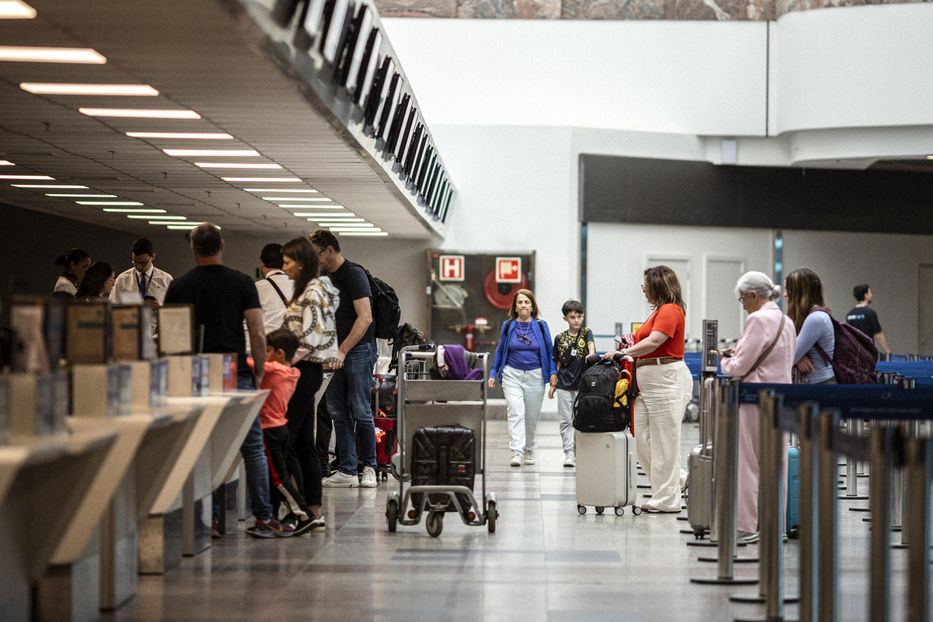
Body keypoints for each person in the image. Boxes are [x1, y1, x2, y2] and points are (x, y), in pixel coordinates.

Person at [164, 223, 291, 538]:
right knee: (252, 446)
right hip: (235, 371)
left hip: (194, 374)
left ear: (193, 248)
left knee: (200, 444)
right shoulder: (242, 282)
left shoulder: (178, 286)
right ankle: (262, 517)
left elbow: (170, 336)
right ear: (222, 245)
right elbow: (258, 332)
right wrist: (259, 369)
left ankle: (210, 519)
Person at [603, 265, 692, 513]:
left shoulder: (670, 310)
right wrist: (630, 345)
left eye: (646, 286)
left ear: (658, 286)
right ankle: (679, 480)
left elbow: (655, 341)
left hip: (666, 379)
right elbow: (647, 340)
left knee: (665, 441)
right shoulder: (656, 312)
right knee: (640, 437)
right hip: (647, 381)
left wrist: (624, 352)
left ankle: (666, 500)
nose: (643, 291)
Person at [719, 271, 796, 543]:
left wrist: (725, 363)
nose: (744, 306)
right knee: (778, 462)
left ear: (754, 295)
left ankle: (748, 526)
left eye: (743, 300)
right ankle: (778, 527)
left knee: (749, 461)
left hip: (754, 399)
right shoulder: (787, 322)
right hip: (782, 399)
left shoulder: (757, 319)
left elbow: (740, 366)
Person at [309, 229, 378, 488]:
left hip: (358, 350)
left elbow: (366, 317)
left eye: (316, 254)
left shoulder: (353, 274)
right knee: (338, 410)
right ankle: (347, 468)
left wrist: (343, 350)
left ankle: (368, 466)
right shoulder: (325, 277)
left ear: (328, 250)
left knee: (361, 409)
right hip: (334, 352)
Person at [280, 237, 339, 522]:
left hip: (304, 369)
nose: (284, 267)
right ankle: (312, 509)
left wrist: (282, 360)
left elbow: (311, 337)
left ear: (301, 263)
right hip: (304, 369)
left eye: (288, 262)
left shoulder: (313, 291)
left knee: (287, 441)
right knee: (304, 443)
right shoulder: (308, 289)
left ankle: (298, 508)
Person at [250, 328, 323, 535]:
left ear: (279, 353)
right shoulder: (293, 372)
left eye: (268, 350)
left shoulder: (274, 370)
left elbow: (251, 363)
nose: (265, 354)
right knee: (279, 475)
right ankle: (294, 514)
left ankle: (304, 515)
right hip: (280, 428)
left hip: (269, 430)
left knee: (278, 478)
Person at [488, 289, 558, 467]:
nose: (523, 305)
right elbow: (500, 350)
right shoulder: (508, 325)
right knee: (516, 412)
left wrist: (552, 373)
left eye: (527, 302)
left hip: (535, 376)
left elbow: (550, 352)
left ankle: (529, 448)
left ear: (532, 306)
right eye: (520, 302)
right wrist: (493, 373)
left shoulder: (541, 326)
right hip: (512, 375)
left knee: (531, 418)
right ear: (515, 307)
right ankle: (516, 452)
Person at [548, 299, 595, 468]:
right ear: (565, 319)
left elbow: (591, 349)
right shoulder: (559, 338)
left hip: (582, 384)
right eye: (572, 317)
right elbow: (554, 360)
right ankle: (568, 453)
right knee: (565, 420)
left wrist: (591, 356)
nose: (576, 320)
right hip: (563, 385)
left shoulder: (586, 333)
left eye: (579, 316)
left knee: (581, 419)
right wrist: (553, 383)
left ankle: (579, 451)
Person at [785, 267, 835, 384]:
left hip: (821, 383)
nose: (785, 294)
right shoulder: (810, 316)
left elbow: (789, 357)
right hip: (816, 382)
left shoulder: (816, 318)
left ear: (800, 291)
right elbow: (794, 352)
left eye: (788, 289)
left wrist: (797, 356)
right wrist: (799, 357)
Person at [110, 238, 173, 310]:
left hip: (155, 320)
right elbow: (113, 306)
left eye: (143, 263)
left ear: (153, 257)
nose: (138, 266)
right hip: (130, 320)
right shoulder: (122, 279)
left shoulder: (166, 279)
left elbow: (175, 310)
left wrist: (160, 307)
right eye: (135, 262)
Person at [255, 243, 294, 334]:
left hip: (268, 342)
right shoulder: (298, 285)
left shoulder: (255, 288)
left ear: (262, 263)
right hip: (292, 343)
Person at [845, 284, 891, 355]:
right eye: (870, 293)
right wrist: (887, 351)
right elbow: (878, 335)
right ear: (865, 295)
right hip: (867, 352)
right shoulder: (870, 313)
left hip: (854, 352)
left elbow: (847, 335)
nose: (871, 295)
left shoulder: (849, 314)